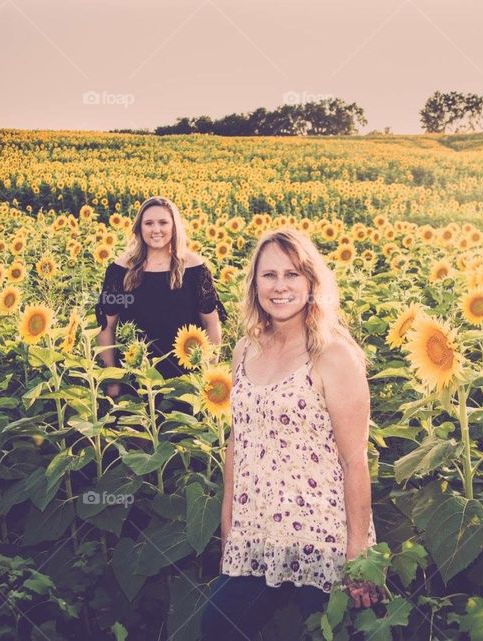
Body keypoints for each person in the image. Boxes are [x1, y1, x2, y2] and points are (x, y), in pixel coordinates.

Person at [200, 229, 383, 640]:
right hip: (257, 534)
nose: (280, 286)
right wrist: (229, 528)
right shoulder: (245, 349)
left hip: (322, 537)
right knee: (218, 627)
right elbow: (238, 442)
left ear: (311, 282)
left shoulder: (333, 354)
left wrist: (358, 552)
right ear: (255, 284)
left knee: (328, 632)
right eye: (269, 275)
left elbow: (354, 459)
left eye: (292, 274)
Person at [95, 197, 226, 388]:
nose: (156, 229)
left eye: (163, 222)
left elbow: (211, 323)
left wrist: (209, 375)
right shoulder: (121, 269)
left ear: (174, 226)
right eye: (149, 223)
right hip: (135, 378)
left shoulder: (193, 267)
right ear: (139, 228)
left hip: (186, 380)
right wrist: (112, 383)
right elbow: (106, 327)